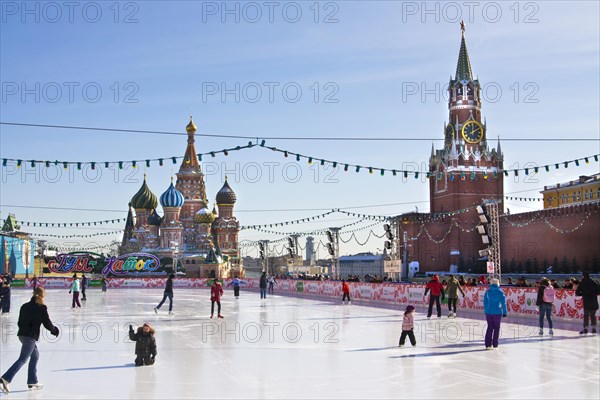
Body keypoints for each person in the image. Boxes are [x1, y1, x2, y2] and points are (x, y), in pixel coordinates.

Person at [0, 287, 60, 393]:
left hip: (22, 335)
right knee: (23, 359)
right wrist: (54, 330)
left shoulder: (24, 306)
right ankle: (5, 379)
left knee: (35, 355)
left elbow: (19, 322)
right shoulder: (41, 307)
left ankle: (32, 380)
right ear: (42, 296)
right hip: (30, 337)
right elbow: (47, 323)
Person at [483, 278, 507, 349]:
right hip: (497, 312)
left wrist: (486, 309)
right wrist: (505, 312)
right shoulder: (500, 292)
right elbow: (503, 303)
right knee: (496, 328)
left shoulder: (487, 292)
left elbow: (485, 302)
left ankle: (488, 344)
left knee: (490, 327)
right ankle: (495, 344)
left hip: (488, 312)